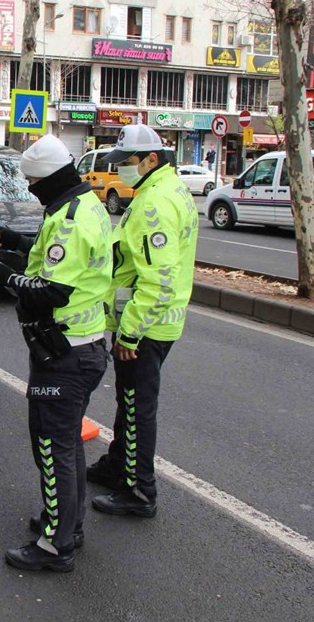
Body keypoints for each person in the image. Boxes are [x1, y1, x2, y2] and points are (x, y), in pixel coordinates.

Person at [0, 135, 112, 573]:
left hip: (66, 352)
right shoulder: (82, 205)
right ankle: (66, 524)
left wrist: (1, 274)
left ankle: (56, 546)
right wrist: (16, 246)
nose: (31, 191)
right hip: (80, 345)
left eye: (34, 183)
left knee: (54, 448)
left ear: (52, 179)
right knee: (66, 443)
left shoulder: (72, 220)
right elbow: (50, 263)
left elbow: (52, 291)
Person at [86, 124, 198, 518]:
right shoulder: (161, 189)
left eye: (127, 163)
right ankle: (119, 465)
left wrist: (130, 333)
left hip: (146, 326)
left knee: (136, 407)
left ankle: (139, 490)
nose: (121, 170)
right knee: (128, 401)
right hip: (150, 321)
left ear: (152, 159)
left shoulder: (156, 203)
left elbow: (159, 279)